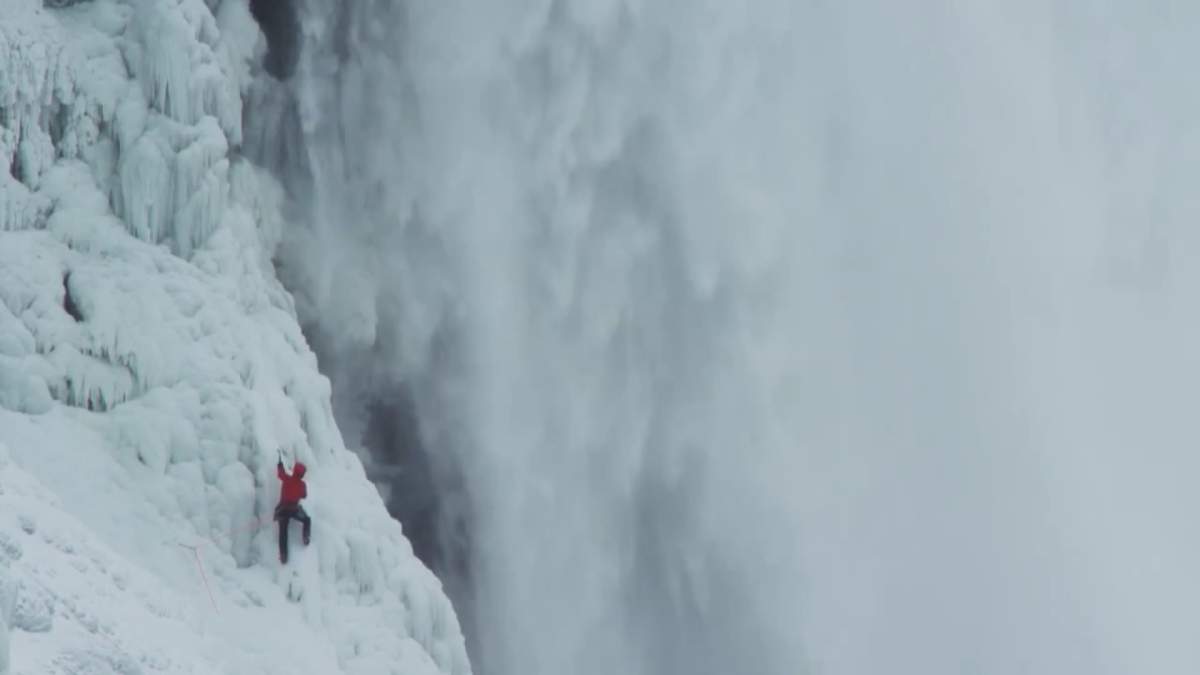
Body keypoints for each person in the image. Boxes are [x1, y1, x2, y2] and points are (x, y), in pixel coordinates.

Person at [275, 457, 311, 564]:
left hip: (282, 510)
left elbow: (280, 474)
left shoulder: (286, 478)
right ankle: (305, 536)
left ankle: (283, 555)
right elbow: (304, 496)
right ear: (302, 474)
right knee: (307, 519)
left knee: (283, 532)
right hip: (294, 509)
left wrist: (280, 464)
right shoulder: (302, 485)